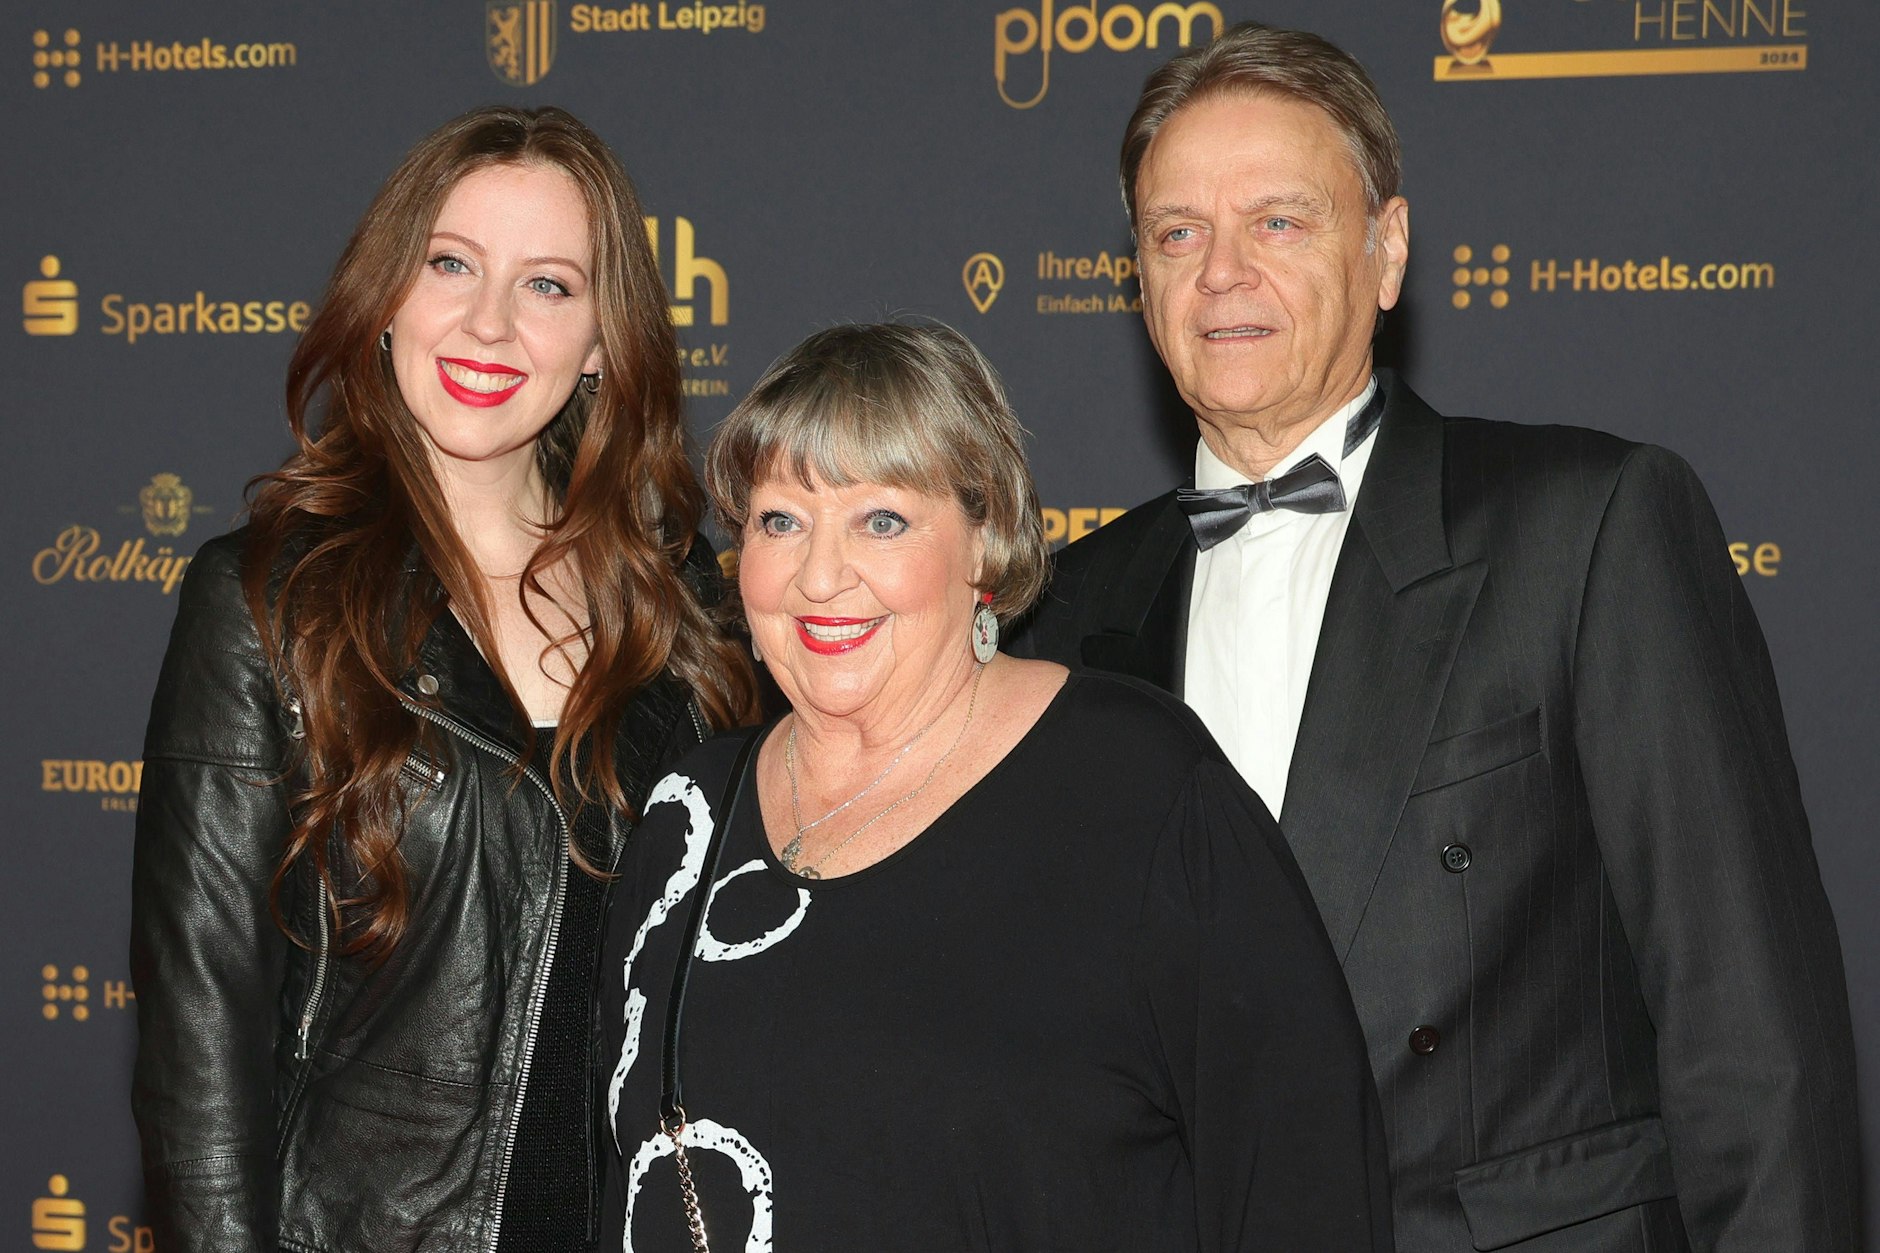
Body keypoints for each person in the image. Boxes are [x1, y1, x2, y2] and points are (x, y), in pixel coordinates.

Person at [1009, 21, 1861, 1252]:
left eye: (1279, 222)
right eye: (1175, 232)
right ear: (1137, 275)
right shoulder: (1066, 607)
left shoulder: (1587, 528)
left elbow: (1751, 1037)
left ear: (1387, 250)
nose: (1219, 272)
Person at [597, 322, 1392, 1251]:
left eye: (881, 520)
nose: (819, 575)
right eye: (781, 520)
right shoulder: (687, 814)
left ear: (985, 539)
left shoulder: (1133, 788)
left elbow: (1302, 1177)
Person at [130, 105, 756, 1253]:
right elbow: (197, 1043)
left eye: (549, 285)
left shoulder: (683, 603)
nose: (488, 323)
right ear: (385, 301)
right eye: (451, 264)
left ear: (605, 340)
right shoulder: (269, 598)